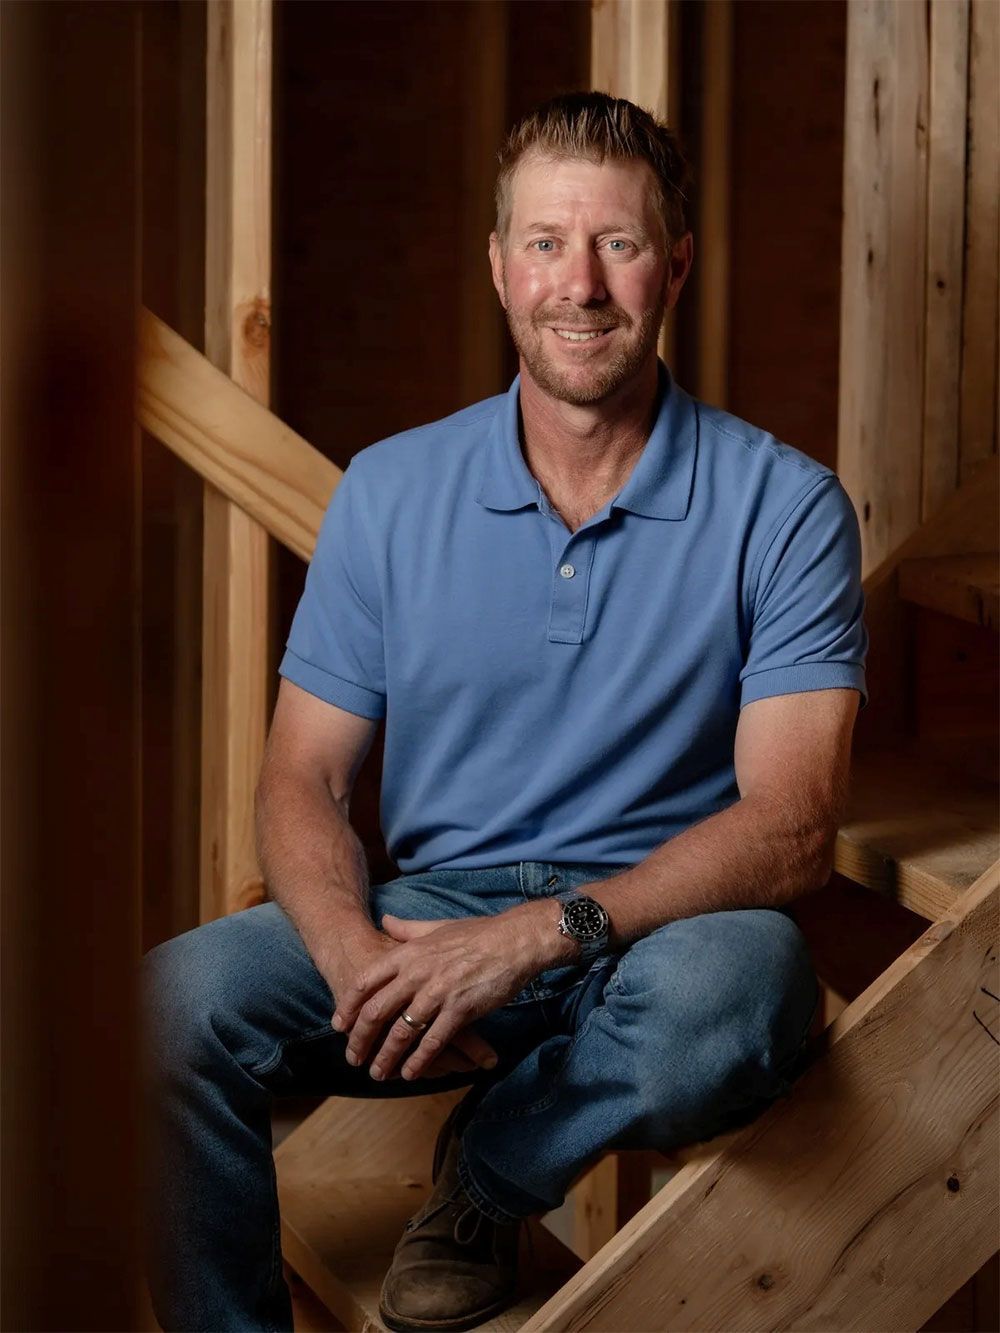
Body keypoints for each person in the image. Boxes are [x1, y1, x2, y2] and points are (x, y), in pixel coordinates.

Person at [142, 91, 868, 1333]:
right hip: (425, 918)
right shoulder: (388, 490)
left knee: (747, 991)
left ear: (675, 265)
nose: (577, 284)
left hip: (657, 929)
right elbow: (302, 781)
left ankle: (485, 1178)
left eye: (618, 244)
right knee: (159, 1010)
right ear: (497, 266)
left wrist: (544, 934)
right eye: (544, 242)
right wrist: (353, 955)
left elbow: (793, 824)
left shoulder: (784, 505)